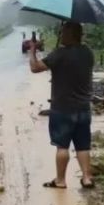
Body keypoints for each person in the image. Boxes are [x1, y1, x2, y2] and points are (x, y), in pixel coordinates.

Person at [29, 21, 95, 189]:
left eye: (63, 32)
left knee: (62, 146)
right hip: (83, 108)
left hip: (62, 109)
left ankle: (60, 180)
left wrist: (32, 50)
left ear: (71, 34)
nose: (61, 35)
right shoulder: (88, 53)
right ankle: (87, 178)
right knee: (83, 146)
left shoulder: (59, 54)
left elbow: (35, 68)